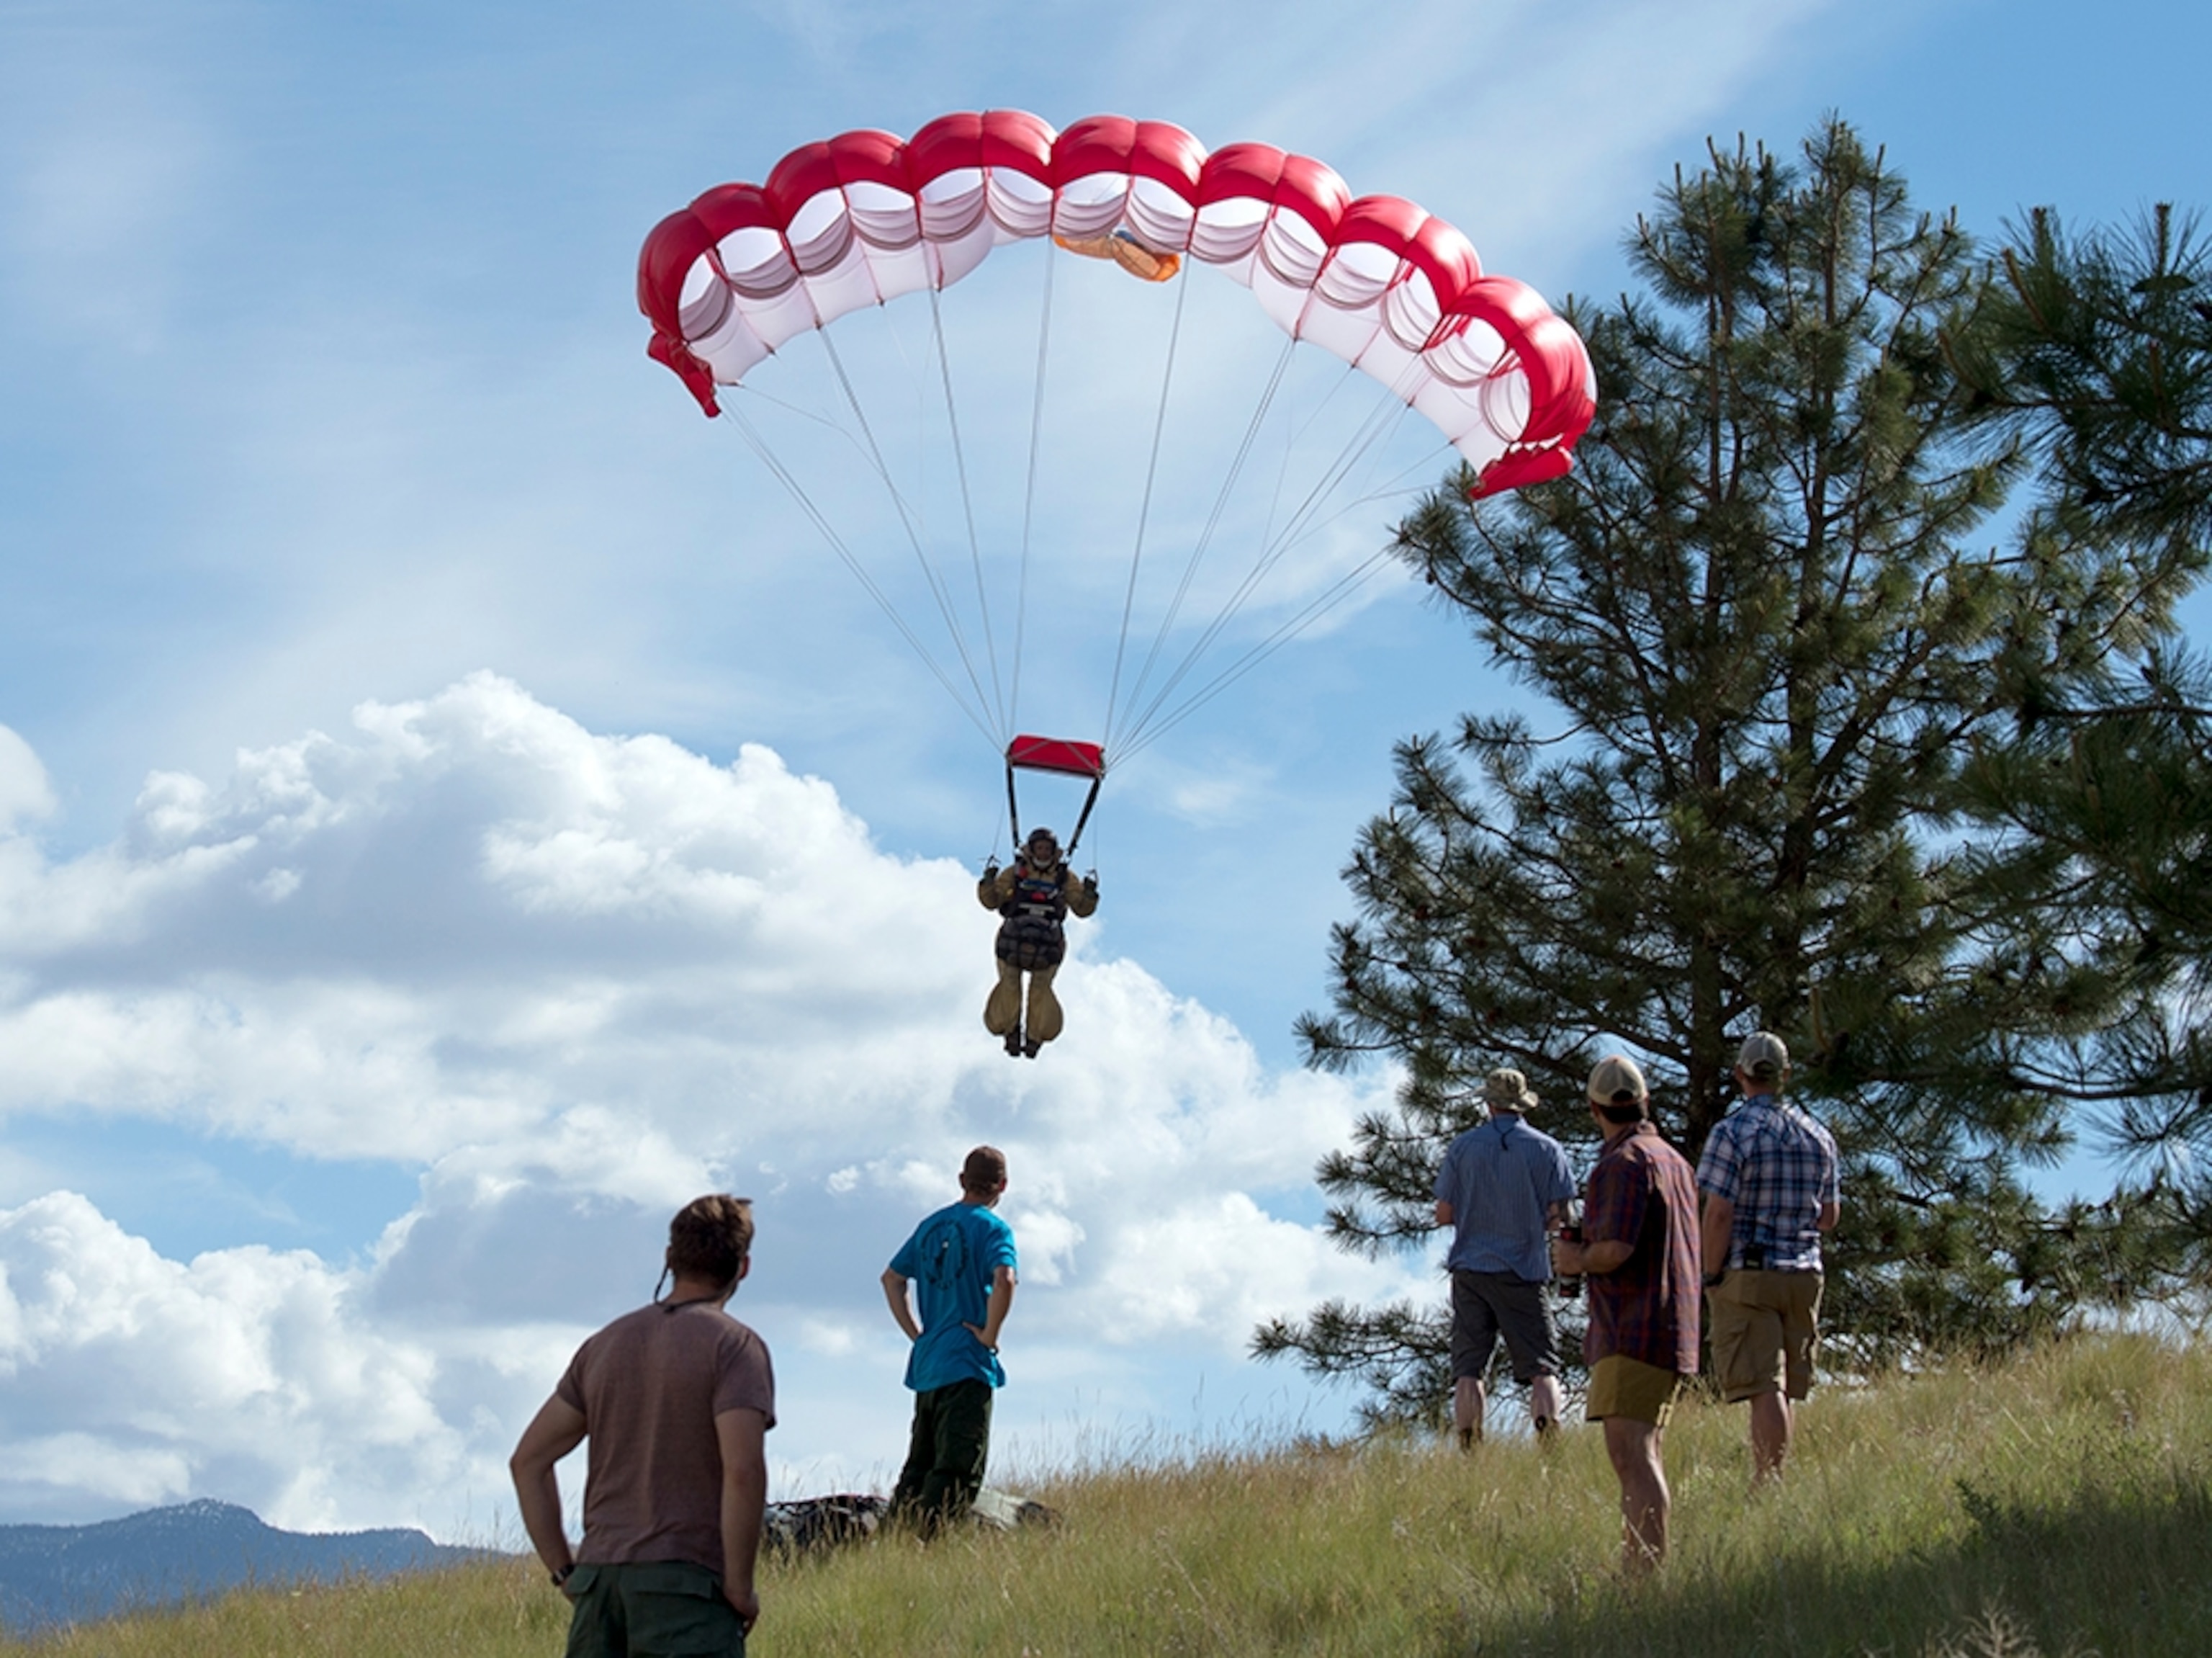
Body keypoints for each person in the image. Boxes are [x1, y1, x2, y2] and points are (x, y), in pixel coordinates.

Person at [510, 1195, 775, 1657]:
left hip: (601, 1590)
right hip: (687, 1590)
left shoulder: (605, 1346)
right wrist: (739, 1587)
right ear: (744, 1267)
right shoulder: (735, 1348)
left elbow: (528, 1461)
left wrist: (565, 1571)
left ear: (670, 1258)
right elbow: (743, 1471)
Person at [1552, 1055, 1700, 1576]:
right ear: (1644, 1101)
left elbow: (1614, 1250)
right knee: (1644, 1453)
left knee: (1632, 1457)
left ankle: (1643, 1582)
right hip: (1670, 1325)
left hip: (1631, 1328)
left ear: (1595, 1109)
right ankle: (1644, 1574)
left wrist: (1575, 1260)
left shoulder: (1622, 1164)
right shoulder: (1674, 1160)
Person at [1696, 1031, 1841, 1485]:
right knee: (1787, 1387)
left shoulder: (1732, 1133)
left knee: (1764, 1386)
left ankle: (1768, 1482)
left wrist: (1710, 1273)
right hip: (1803, 1271)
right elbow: (1830, 1217)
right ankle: (1776, 1475)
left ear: (1740, 1075)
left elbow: (1718, 1214)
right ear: (1785, 1075)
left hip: (1751, 1272)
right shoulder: (1819, 1136)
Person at [1431, 1066, 1577, 1447]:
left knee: (1468, 1369)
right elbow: (1562, 1215)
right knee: (1542, 1366)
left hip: (1471, 1269)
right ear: (1522, 1104)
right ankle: (1550, 1446)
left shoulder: (1462, 1148)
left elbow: (1444, 1213)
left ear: (1489, 1103)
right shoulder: (1547, 1149)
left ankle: (1469, 1446)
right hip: (1524, 1270)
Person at [881, 1146, 1018, 1531]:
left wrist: (918, 1336)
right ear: (1003, 1185)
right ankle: (928, 1546)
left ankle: (895, 1544)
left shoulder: (930, 1227)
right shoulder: (993, 1229)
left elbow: (891, 1279)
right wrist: (990, 1335)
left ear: (962, 1180)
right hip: (967, 1362)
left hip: (929, 1365)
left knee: (919, 1466)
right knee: (957, 1469)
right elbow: (1004, 1279)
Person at [979, 826, 1099, 1058]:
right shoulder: (1014, 873)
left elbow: (1081, 909)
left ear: (1053, 851)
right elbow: (993, 901)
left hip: (1048, 942)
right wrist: (987, 883)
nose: (1043, 853)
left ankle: (1036, 1036)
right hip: (1014, 937)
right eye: (1039, 848)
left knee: (1040, 987)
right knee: (1010, 981)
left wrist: (1089, 895)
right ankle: (1009, 1031)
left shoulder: (1064, 877)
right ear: (1032, 850)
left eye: (1047, 849)